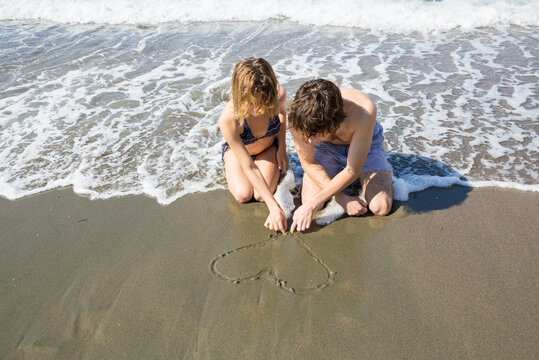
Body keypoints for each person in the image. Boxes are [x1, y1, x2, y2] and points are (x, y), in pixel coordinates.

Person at [288, 79, 393, 233]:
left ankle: (373, 176)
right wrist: (343, 199)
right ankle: (341, 185)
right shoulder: (299, 119)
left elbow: (352, 170)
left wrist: (309, 207)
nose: (309, 140)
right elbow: (309, 163)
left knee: (381, 206)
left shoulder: (363, 111)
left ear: (334, 123)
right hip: (326, 148)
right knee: (311, 200)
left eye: (314, 134)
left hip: (365, 144)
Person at [218, 58, 289, 233]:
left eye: (264, 102)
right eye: (252, 103)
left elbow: (282, 116)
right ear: (240, 95)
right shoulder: (229, 119)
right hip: (240, 154)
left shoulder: (278, 95)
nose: (259, 109)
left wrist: (282, 148)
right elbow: (249, 166)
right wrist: (275, 208)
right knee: (243, 195)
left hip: (267, 148)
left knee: (260, 195)